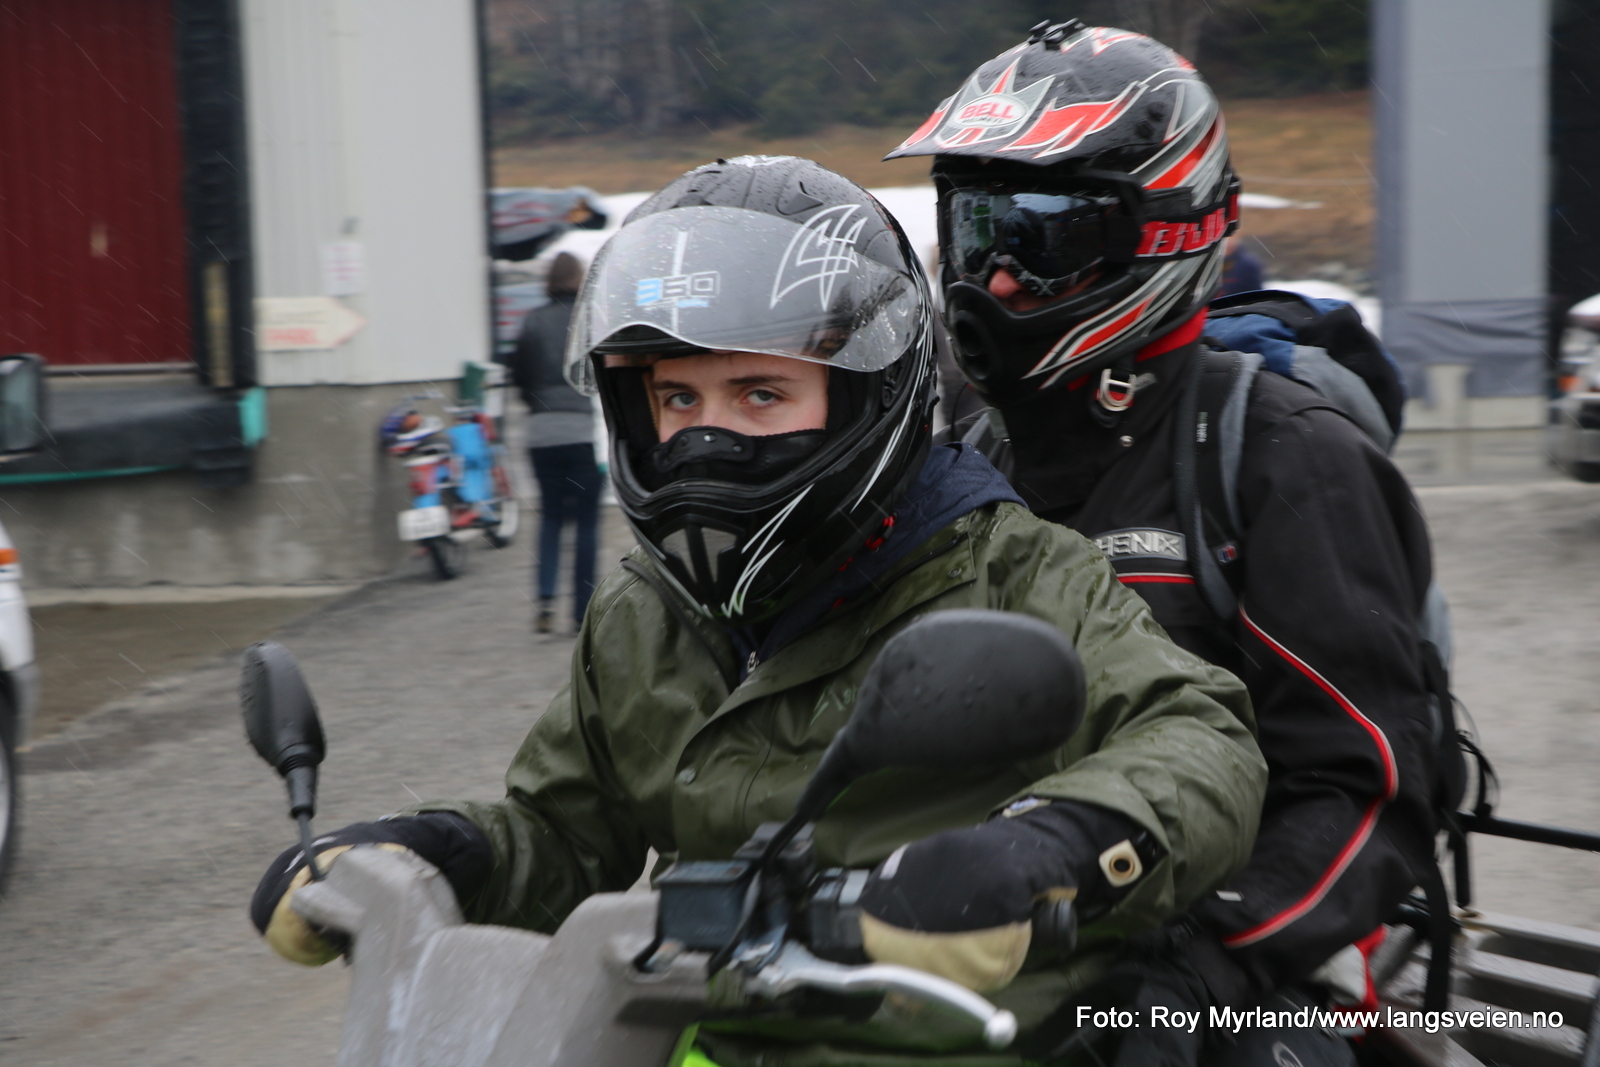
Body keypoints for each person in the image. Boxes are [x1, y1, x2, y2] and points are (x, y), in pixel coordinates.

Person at [250, 157, 1267, 1064]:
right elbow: (566, 834)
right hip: (697, 1030)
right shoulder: (644, 610)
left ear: (868, 392)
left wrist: (1043, 850)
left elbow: (1199, 738)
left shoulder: (1011, 568)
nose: (707, 437)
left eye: (759, 394)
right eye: (678, 400)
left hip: (964, 1033)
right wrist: (437, 852)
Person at [889, 20, 1440, 1066]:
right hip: (1006, 944)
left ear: (1169, 230)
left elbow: (1366, 789)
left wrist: (1206, 961)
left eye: (1040, 238)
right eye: (976, 232)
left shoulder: (1282, 458)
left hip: (1258, 962)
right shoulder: (958, 456)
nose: (994, 282)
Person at [510, 251, 603, 634]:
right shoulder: (588, 322)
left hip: (541, 435)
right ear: (580, 280)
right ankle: (582, 611)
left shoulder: (531, 321)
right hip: (581, 432)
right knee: (585, 524)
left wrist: (538, 403)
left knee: (549, 518)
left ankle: (545, 601)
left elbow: (518, 376)